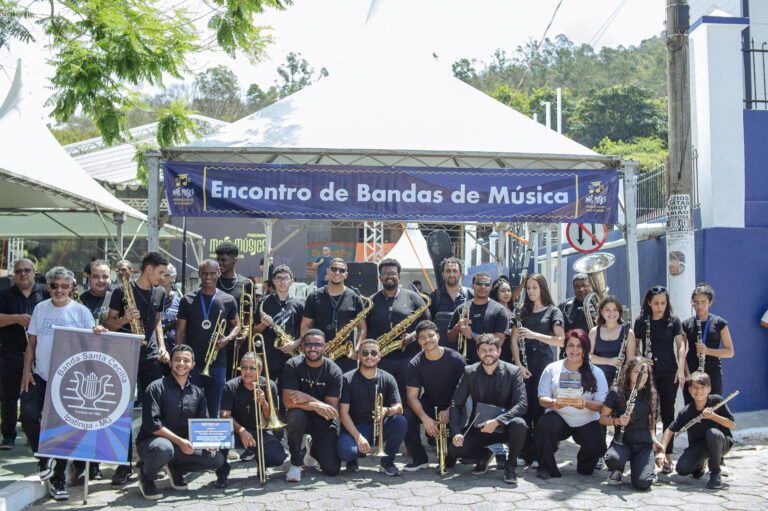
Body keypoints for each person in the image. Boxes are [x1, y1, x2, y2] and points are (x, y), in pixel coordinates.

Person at [20, 266, 103, 501]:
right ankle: (43, 456)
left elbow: (92, 345)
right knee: (27, 415)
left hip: (69, 378)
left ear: (71, 287)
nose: (59, 290)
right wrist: (26, 372)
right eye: (54, 286)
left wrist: (98, 332)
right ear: (48, 287)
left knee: (63, 428)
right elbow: (32, 344)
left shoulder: (81, 312)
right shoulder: (40, 309)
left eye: (64, 286)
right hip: (41, 375)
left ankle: (58, 479)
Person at [106, 251, 170, 485]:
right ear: (148, 269)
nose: (163, 278)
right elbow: (108, 324)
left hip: (151, 357)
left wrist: (162, 346)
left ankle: (148, 458)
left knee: (152, 411)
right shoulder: (121, 291)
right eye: (160, 273)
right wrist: (124, 320)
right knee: (122, 411)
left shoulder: (160, 292)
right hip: (125, 354)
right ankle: (123, 465)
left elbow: (157, 320)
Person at [135, 344, 229, 500]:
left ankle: (176, 468)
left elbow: (202, 425)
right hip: (152, 444)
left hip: (180, 446)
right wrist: (180, 441)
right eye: (177, 360)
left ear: (192, 365)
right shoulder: (155, 388)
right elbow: (153, 425)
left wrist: (208, 441)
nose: (181, 364)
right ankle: (147, 479)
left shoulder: (198, 393)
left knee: (216, 458)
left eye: (186, 360)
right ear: (170, 363)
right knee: (164, 448)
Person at [448, 334, 528, 484]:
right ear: (478, 353)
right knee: (455, 449)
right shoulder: (469, 372)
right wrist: (456, 432)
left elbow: (522, 404)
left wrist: (497, 421)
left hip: (506, 426)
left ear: (499, 351)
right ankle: (484, 454)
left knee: (520, 424)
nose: (487, 353)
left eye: (491, 350)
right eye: (483, 350)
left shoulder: (513, 371)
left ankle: (510, 466)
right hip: (480, 427)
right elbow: (456, 404)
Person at [534, 329, 608, 479]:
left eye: (579, 346)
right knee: (544, 425)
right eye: (571, 345)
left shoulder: (597, 372)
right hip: (559, 417)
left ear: (586, 348)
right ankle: (546, 467)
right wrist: (554, 402)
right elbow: (542, 398)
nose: (575, 350)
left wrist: (585, 403)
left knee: (596, 448)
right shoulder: (552, 369)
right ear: (565, 347)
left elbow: (600, 404)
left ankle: (584, 464)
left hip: (586, 420)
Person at [628, 285, 686, 474]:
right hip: (649, 372)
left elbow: (680, 346)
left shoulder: (673, 321)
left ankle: (667, 453)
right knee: (650, 412)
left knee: (668, 412)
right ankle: (650, 451)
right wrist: (641, 358)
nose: (660, 307)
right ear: (649, 303)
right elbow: (636, 345)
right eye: (656, 303)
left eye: (663, 303)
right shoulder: (641, 321)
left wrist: (680, 369)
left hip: (669, 371)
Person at [175, 260, 240, 418]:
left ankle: (212, 434)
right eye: (204, 273)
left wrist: (227, 339)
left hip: (217, 364)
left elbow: (237, 326)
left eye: (212, 273)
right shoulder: (187, 299)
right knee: (190, 407)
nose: (208, 277)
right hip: (192, 364)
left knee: (214, 409)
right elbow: (180, 331)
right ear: (199, 274)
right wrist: (179, 359)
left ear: (218, 273)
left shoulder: (228, 300)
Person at [513, 273, 564, 465]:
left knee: (541, 409)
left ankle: (540, 453)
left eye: (535, 287)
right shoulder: (522, 311)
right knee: (525, 408)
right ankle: (524, 452)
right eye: (528, 288)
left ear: (542, 288)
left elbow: (561, 340)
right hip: (524, 365)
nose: (531, 291)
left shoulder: (553, 311)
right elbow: (513, 340)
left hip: (543, 364)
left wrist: (534, 335)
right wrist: (518, 364)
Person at [337, 338, 407, 476]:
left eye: (373, 353)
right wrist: (358, 437)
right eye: (365, 353)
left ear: (379, 356)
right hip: (355, 427)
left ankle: (387, 463)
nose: (369, 356)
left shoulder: (388, 378)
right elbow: (343, 413)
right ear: (359, 356)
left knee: (401, 421)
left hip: (379, 426)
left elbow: (399, 408)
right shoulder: (347, 379)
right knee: (346, 452)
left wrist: (387, 411)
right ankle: (353, 458)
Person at [403, 320, 466, 471]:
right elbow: (412, 397)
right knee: (405, 416)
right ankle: (419, 458)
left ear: (438, 336)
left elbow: (466, 391)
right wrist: (425, 419)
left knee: (448, 462)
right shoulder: (415, 363)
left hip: (456, 405)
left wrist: (450, 410)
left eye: (430, 335)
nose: (427, 340)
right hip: (431, 404)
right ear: (418, 341)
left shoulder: (456, 359)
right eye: (422, 337)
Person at [282, 329, 343, 481]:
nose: (313, 348)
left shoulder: (334, 371)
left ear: (324, 347)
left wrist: (305, 398)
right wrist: (315, 405)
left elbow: (330, 411)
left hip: (322, 419)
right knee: (295, 415)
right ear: (303, 346)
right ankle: (296, 463)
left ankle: (312, 448)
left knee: (332, 469)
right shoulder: (293, 365)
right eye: (309, 344)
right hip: (300, 416)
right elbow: (287, 402)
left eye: (317, 345)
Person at [366, 258, 430, 405]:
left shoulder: (413, 297)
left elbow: (427, 323)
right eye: (385, 273)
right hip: (380, 360)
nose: (389, 276)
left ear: (399, 276)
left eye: (393, 273)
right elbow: (365, 330)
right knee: (380, 400)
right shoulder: (371, 301)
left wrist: (413, 336)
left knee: (409, 401)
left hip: (409, 359)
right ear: (380, 277)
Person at [655, 371, 735, 490]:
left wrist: (713, 416)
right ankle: (699, 465)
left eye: (702, 387)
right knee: (682, 469)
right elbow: (669, 430)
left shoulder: (716, 401)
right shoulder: (686, 412)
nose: (698, 391)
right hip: (700, 446)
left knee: (713, 433)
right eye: (695, 388)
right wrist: (662, 451)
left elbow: (731, 424)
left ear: (709, 389)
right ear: (689, 390)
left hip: (721, 443)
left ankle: (715, 473)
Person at [0, 258, 48, 450]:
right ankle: (8, 436)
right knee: (8, 398)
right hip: (10, 353)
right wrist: (17, 319)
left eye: (27, 270)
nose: (23, 274)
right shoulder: (4, 294)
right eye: (19, 271)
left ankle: (34, 434)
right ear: (14, 274)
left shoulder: (45, 293)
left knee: (38, 397)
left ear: (34, 272)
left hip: (39, 357)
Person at [73, 259, 113, 482]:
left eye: (105, 276)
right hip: (82, 364)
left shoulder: (117, 298)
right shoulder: (78, 300)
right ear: (88, 277)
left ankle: (96, 464)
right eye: (96, 276)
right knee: (81, 417)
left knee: (102, 419)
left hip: (109, 366)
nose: (101, 280)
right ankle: (80, 465)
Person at [219, 351, 287, 476]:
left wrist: (264, 404)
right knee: (220, 435)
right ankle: (222, 476)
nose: (247, 372)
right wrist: (241, 430)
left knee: (278, 457)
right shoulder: (230, 386)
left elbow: (273, 418)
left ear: (260, 370)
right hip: (236, 432)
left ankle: (261, 462)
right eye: (244, 368)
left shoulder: (269, 385)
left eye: (252, 368)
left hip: (260, 431)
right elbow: (224, 415)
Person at [599, 357, 660, 490]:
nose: (641, 376)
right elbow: (602, 418)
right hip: (623, 442)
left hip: (643, 444)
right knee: (613, 459)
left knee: (643, 483)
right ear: (628, 373)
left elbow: (651, 423)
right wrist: (617, 421)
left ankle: (648, 466)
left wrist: (654, 440)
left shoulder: (651, 393)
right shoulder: (616, 392)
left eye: (644, 372)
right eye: (637, 371)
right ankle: (617, 470)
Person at [300, 258, 366, 373]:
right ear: (328, 271)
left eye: (341, 270)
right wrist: (316, 345)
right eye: (334, 269)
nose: (337, 272)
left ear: (346, 274)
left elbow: (362, 328)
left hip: (347, 358)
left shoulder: (355, 298)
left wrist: (357, 349)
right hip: (319, 356)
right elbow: (305, 326)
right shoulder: (314, 296)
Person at [253, 265, 304, 397]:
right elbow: (254, 331)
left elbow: (304, 332)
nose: (282, 282)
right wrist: (263, 325)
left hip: (290, 357)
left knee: (287, 395)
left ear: (291, 281)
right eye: (279, 278)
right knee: (266, 394)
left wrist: (294, 344)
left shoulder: (298, 305)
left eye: (286, 278)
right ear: (273, 281)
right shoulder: (264, 302)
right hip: (268, 357)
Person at [681, 283, 734, 404]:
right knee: (692, 407)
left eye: (703, 302)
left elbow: (730, 352)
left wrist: (707, 351)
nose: (699, 306)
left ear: (710, 303)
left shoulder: (719, 323)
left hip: (712, 372)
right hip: (693, 371)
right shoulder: (686, 324)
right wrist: (688, 376)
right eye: (696, 302)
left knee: (714, 406)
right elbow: (682, 353)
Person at [447, 271, 508, 364]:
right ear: (472, 285)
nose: (483, 287)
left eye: (486, 284)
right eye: (479, 284)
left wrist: (473, 335)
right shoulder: (461, 309)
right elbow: (450, 338)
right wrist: (457, 328)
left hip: (489, 364)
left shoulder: (499, 310)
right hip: (464, 364)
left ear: (491, 287)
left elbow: (499, 341)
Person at [215, 241, 250, 382]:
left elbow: (249, 315)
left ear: (234, 260)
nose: (219, 263)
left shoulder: (246, 283)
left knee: (235, 379)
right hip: (216, 340)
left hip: (237, 341)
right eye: (218, 260)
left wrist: (245, 333)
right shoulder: (212, 281)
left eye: (223, 260)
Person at [588, 296, 635, 387]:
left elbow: (630, 362)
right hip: (597, 380)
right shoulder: (594, 331)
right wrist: (609, 361)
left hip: (619, 382)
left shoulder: (628, 332)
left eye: (615, 309)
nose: (611, 313)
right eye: (608, 310)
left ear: (619, 312)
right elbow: (588, 357)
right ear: (601, 312)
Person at [428, 257, 473, 347]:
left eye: (455, 271)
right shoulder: (434, 297)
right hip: (441, 350)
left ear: (460, 274)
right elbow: (428, 325)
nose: (451, 274)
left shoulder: (471, 295)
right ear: (443, 274)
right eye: (448, 271)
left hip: (467, 350)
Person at [557, 273, 595, 345]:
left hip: (593, 350)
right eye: (577, 287)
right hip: (569, 350)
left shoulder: (600, 306)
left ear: (591, 286)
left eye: (584, 285)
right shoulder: (564, 306)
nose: (581, 289)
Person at [159, 263, 181, 354]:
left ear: (172, 277)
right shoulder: (149, 299)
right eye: (158, 273)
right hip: (154, 350)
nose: (159, 277)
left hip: (173, 351)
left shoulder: (180, 301)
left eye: (163, 274)